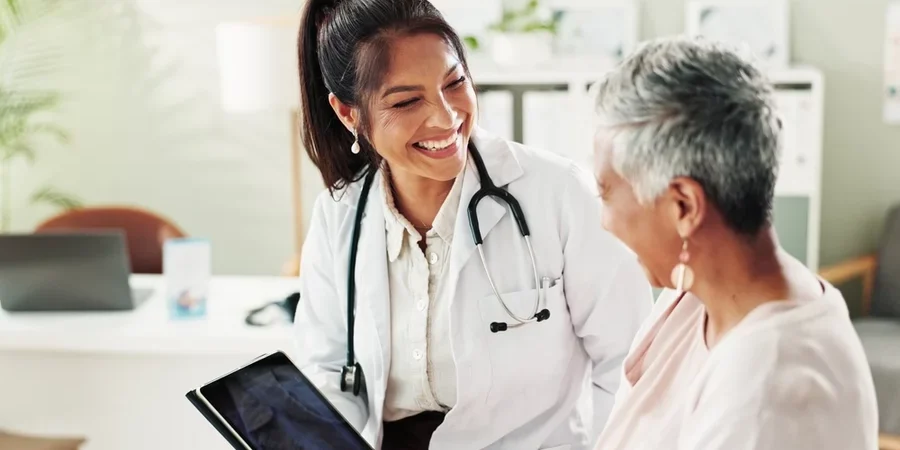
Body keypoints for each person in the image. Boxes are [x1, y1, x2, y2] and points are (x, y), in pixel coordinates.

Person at [292, 0, 653, 448]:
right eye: (406, 101)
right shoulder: (339, 213)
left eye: (455, 83)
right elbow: (327, 370)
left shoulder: (559, 194)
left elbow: (634, 364)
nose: (446, 117)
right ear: (349, 114)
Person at [589, 37, 879, 449]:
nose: (603, 221)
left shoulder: (770, 397)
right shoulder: (697, 293)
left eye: (605, 192)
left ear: (684, 206)